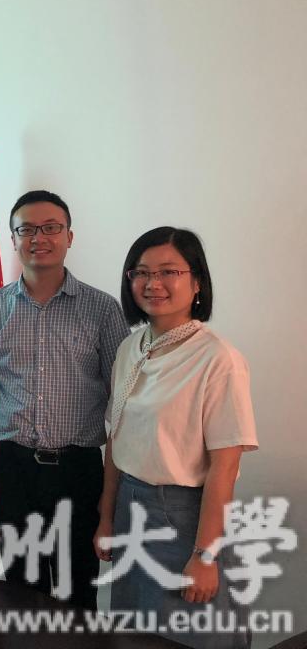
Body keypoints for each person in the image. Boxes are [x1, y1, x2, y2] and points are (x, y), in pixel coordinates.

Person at [0, 189, 129, 609]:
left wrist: (112, 488)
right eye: (27, 230)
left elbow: (124, 400)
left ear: (69, 236)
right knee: (21, 590)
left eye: (51, 228)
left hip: (79, 470)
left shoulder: (102, 310)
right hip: (12, 468)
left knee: (78, 592)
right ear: (13, 239)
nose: (39, 238)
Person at [95, 227, 257, 648]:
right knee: (133, 633)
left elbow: (225, 467)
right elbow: (117, 439)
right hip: (130, 507)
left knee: (190, 634)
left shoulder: (217, 359)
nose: (153, 283)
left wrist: (205, 555)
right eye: (142, 272)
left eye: (169, 271)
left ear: (197, 281)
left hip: (185, 518)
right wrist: (107, 517)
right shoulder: (131, 348)